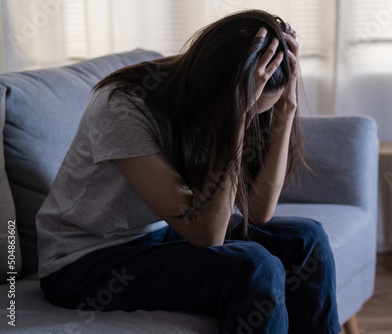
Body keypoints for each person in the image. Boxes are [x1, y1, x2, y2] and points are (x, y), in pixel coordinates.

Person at [36, 9, 341, 334]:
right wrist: (236, 116)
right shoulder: (121, 106)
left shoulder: (217, 94)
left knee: (306, 239)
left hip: (155, 234)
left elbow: (260, 210)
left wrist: (287, 105)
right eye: (250, 110)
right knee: (254, 267)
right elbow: (207, 235)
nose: (252, 120)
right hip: (83, 261)